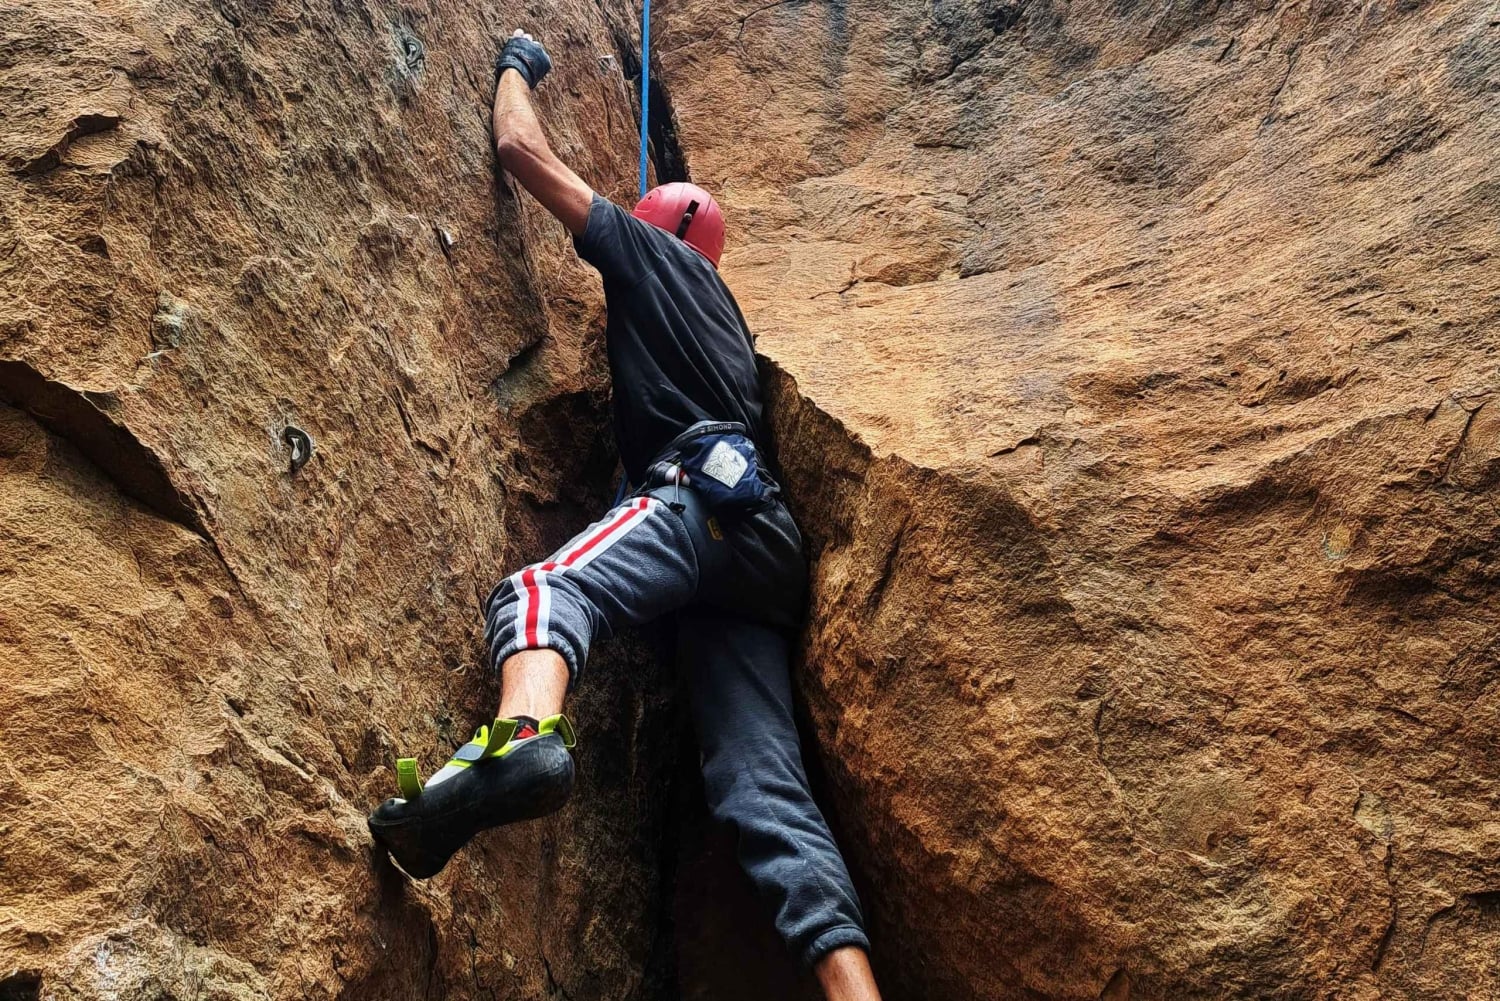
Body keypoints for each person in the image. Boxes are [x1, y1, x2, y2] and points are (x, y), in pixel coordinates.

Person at [367, 29, 883, 1001]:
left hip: (696, 501)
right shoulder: (731, 325)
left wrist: (516, 64)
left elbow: (524, 155)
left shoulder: (649, 253)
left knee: (546, 586)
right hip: (760, 555)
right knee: (765, 789)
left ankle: (523, 737)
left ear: (657, 224)